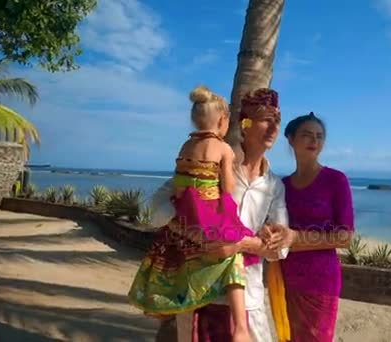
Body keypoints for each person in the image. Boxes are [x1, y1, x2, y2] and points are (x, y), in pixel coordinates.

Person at [149, 88, 289, 342]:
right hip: (201, 295)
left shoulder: (274, 185)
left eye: (277, 120)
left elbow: (279, 250)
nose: (274, 127)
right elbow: (154, 210)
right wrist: (194, 231)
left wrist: (242, 242)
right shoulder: (209, 165)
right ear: (244, 124)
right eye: (266, 119)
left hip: (249, 299)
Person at [128, 85, 262, 342]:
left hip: (186, 207)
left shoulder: (185, 145)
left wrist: (182, 209)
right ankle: (241, 327)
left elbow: (179, 186)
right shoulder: (224, 149)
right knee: (235, 249)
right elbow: (229, 186)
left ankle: (169, 299)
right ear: (223, 121)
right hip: (209, 209)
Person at [265, 112, 355, 342]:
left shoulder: (335, 180)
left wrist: (295, 238)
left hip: (321, 280)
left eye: (319, 136)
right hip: (286, 276)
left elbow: (345, 237)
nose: (314, 141)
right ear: (291, 139)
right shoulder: (281, 185)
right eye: (307, 135)